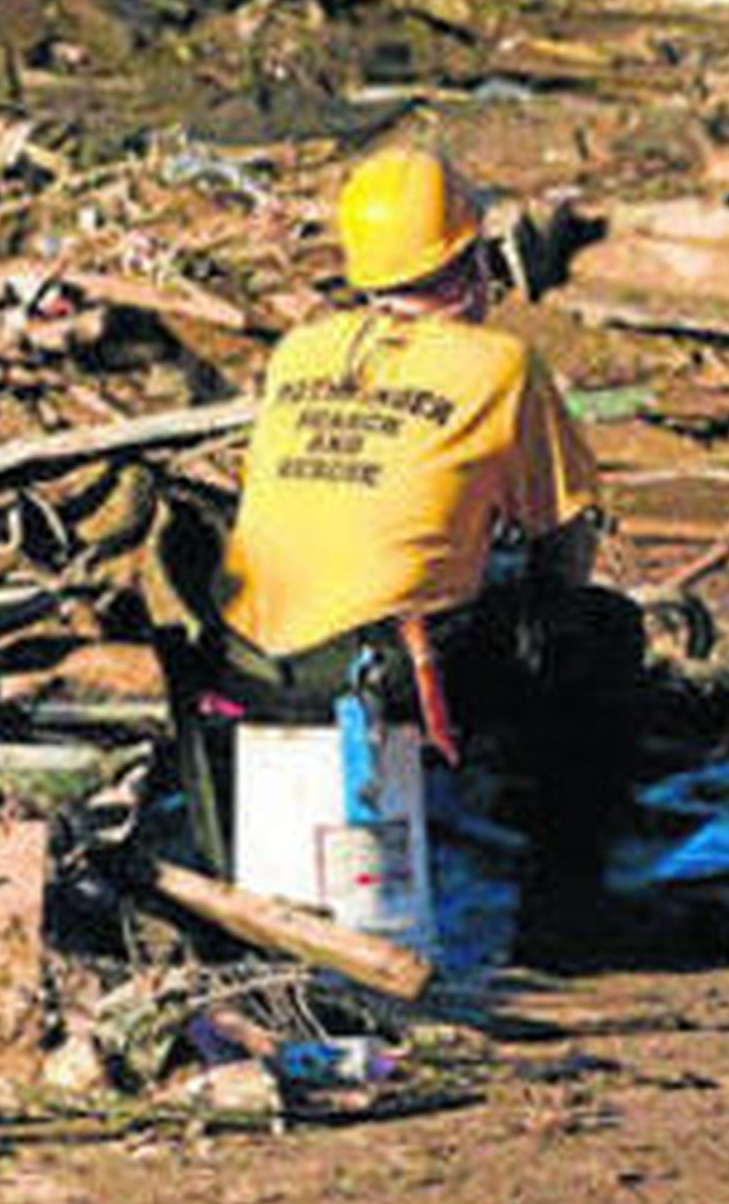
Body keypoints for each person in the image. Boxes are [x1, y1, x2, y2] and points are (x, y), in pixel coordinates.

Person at [213, 144, 645, 957]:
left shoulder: (301, 349)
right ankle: (564, 915)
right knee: (599, 634)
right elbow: (565, 542)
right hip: (380, 669)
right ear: (473, 260)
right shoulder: (501, 365)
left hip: (249, 665)